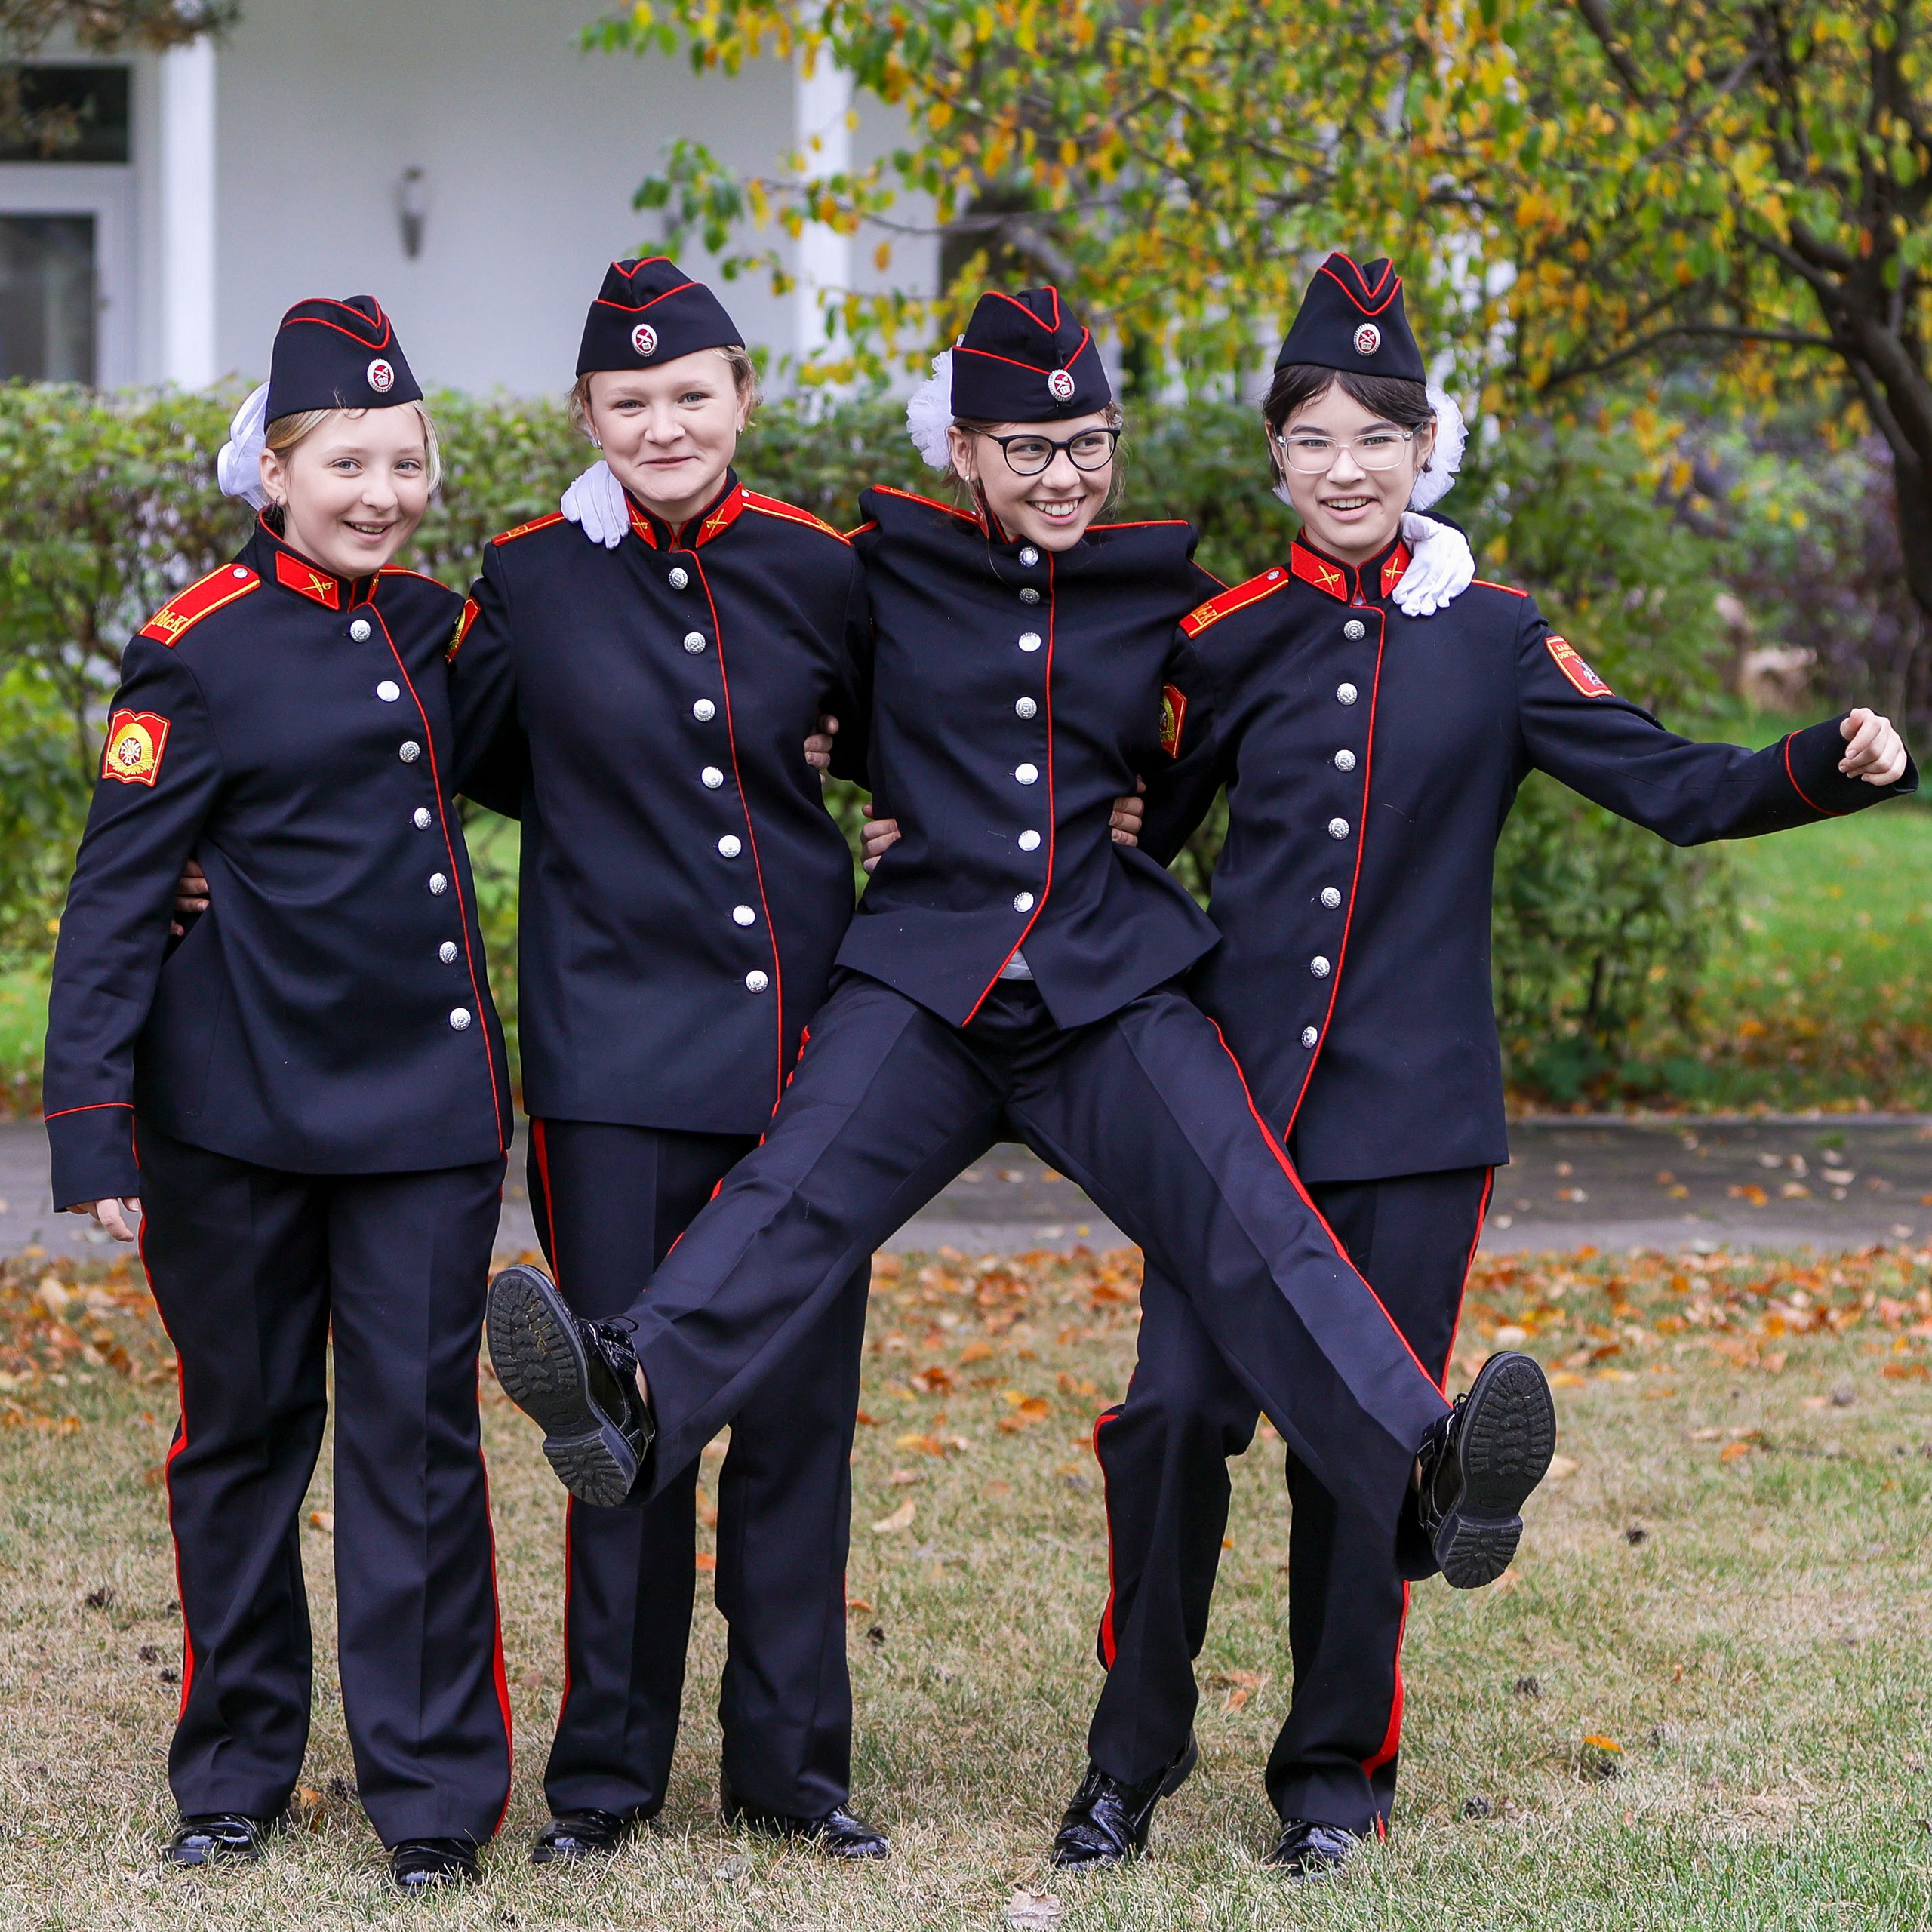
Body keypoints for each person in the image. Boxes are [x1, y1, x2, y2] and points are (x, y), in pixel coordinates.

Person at [483, 285, 1561, 1861]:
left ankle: (1429, 1463)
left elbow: (1275, 686)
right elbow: (747, 678)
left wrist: (1438, 571)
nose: (1061, 476)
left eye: (1085, 444)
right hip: (920, 973)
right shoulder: (877, 569)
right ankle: (628, 1384)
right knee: (791, 1187)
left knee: (1248, 1208)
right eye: (1027, 447)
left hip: (1111, 979)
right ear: (963, 449)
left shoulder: (1177, 598)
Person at [1048, 251, 1917, 1877]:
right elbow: (1122, 820)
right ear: (1273, 460)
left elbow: (1667, 781)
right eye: (1310, 437)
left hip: (1411, 1120)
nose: (1345, 467)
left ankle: (1328, 1780)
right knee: (1169, 1415)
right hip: (1234, 1121)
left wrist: (1824, 762)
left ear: (1425, 443)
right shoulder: (1223, 636)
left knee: (1360, 1446)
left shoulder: (1498, 637)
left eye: (1375, 433)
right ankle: (1128, 1754)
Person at [42, 297, 514, 1891]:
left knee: (419, 1447)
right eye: (344, 463)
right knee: (242, 1441)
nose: (376, 491)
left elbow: (612, 743)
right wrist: (90, 1120)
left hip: (427, 1116)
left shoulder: (447, 634)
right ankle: (235, 1770)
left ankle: (435, 1796)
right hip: (231, 1113)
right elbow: (116, 896)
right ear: (279, 470)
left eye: (401, 460)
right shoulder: (196, 643)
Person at [442, 257, 889, 1863]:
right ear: (586, 415)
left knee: (794, 1420)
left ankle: (791, 1767)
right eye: (628, 402)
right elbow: (425, 744)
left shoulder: (823, 570)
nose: (662, 423)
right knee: (616, 1423)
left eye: (689, 394)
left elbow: (909, 747)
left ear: (741, 399)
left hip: (797, 1058)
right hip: (610, 1060)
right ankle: (606, 1779)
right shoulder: (524, 574)